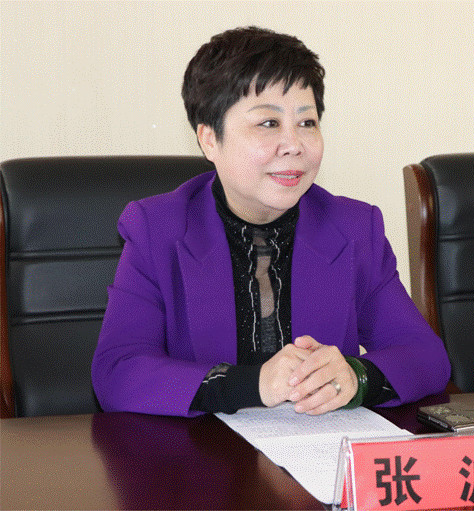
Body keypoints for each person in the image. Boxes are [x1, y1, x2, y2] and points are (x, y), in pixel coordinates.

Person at [91, 26, 450, 417]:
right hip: (202, 451)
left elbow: (426, 356)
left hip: (320, 447)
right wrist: (253, 384)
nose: (294, 144)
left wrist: (356, 376)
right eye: (268, 123)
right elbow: (118, 372)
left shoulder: (354, 228)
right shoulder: (156, 229)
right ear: (209, 139)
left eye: (307, 123)